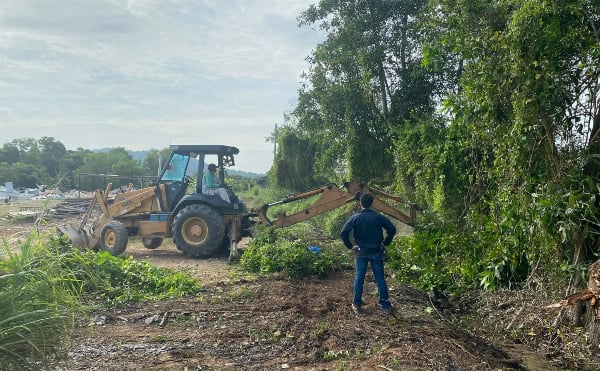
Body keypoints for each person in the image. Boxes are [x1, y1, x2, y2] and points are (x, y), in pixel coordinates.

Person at [340, 193, 396, 315]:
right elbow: (392, 229)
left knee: (359, 278)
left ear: (360, 203)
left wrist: (350, 247)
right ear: (372, 203)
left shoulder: (355, 217)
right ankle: (385, 305)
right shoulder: (378, 217)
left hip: (361, 252)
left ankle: (356, 304)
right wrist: (385, 242)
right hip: (376, 252)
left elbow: (343, 233)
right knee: (380, 278)